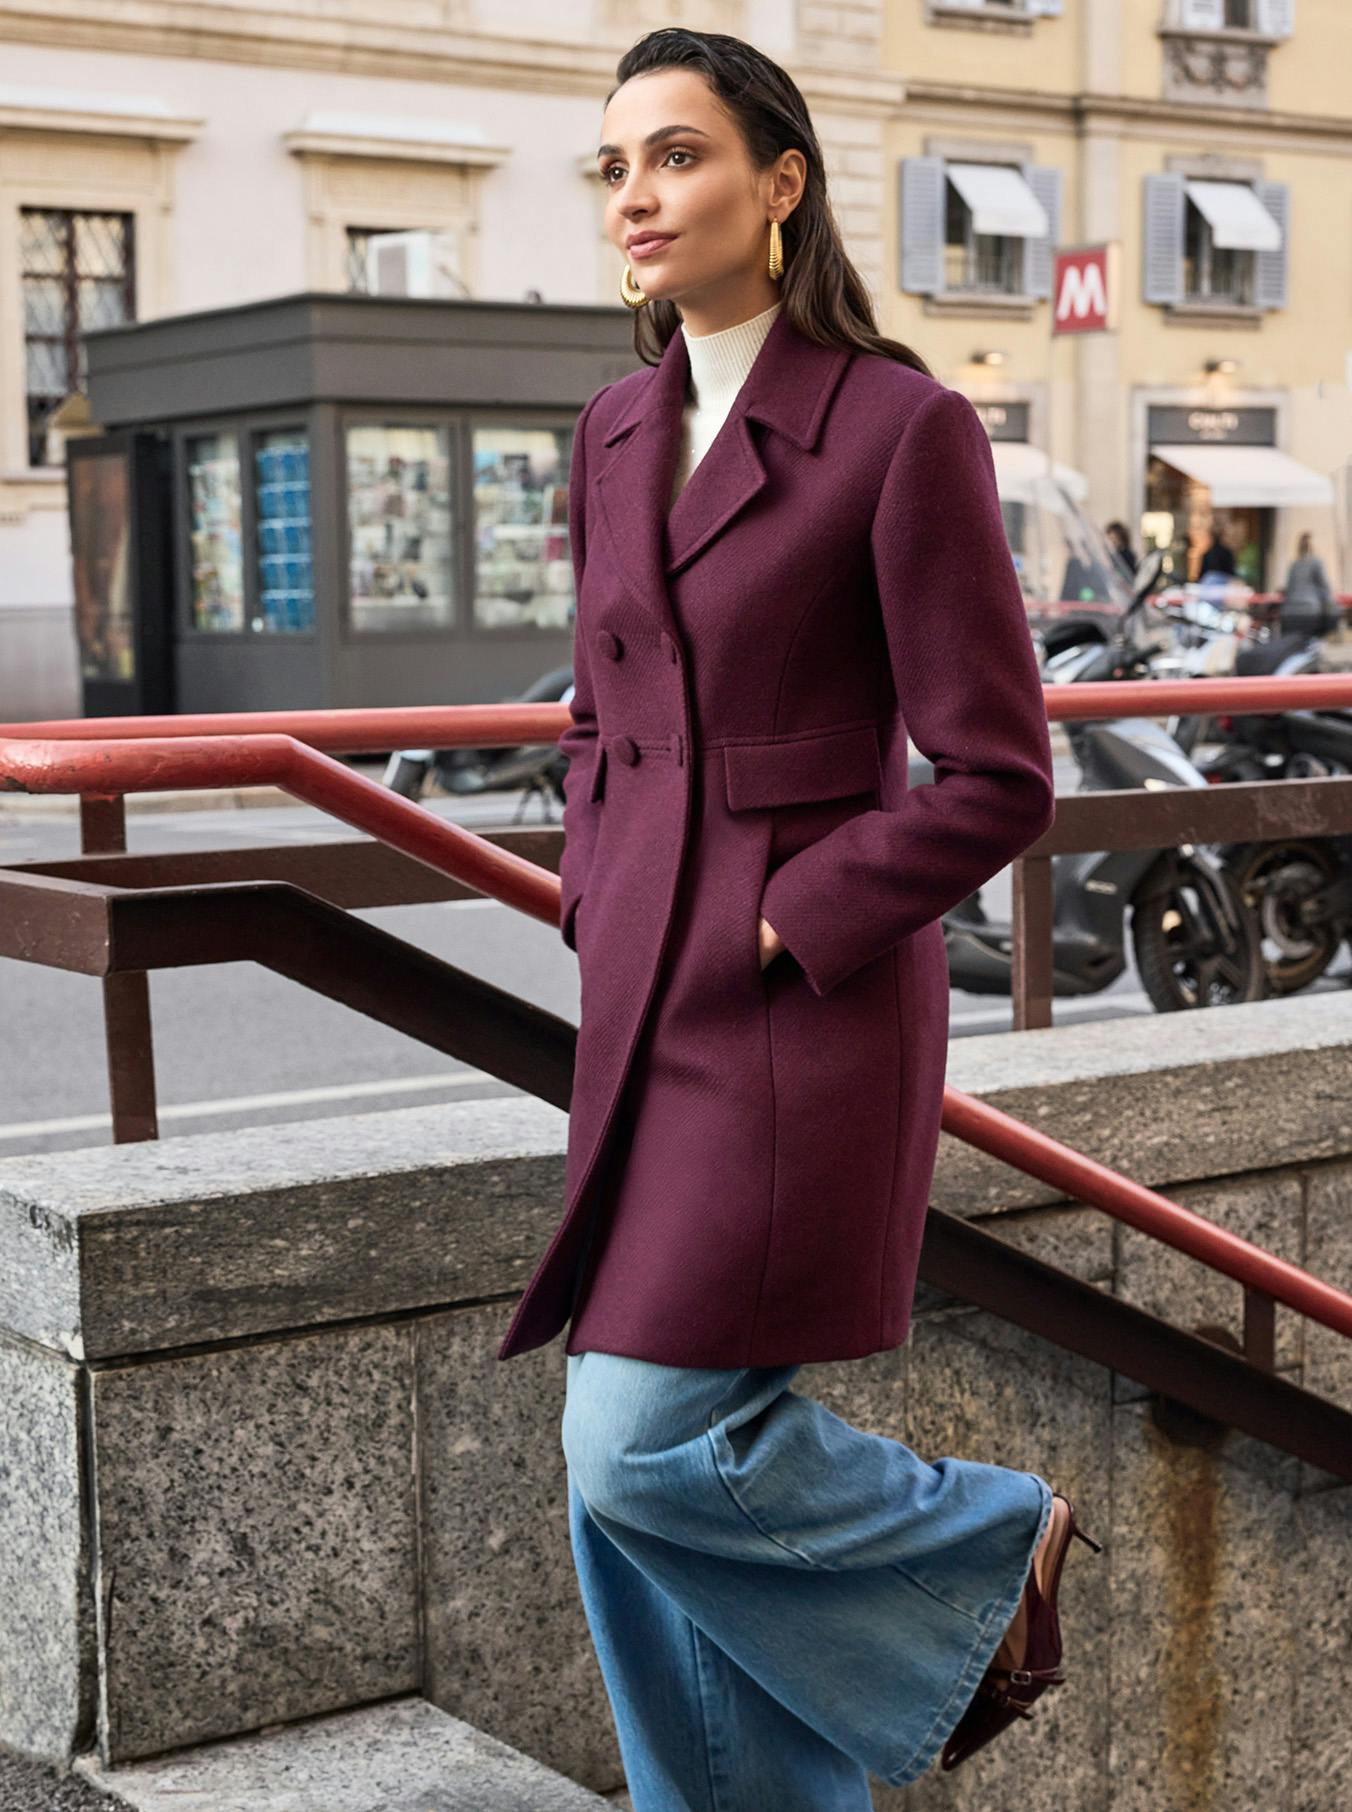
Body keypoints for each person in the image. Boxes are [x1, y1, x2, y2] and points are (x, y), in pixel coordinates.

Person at [500, 26, 1102, 1807]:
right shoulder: (615, 424)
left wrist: (778, 918)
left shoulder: (896, 425)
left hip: (797, 1015)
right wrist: (595, 887)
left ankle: (992, 1539)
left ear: (780, 184)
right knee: (612, 1467)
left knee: (639, 1444)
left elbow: (996, 775)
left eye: (675, 156)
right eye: (612, 164)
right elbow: (602, 716)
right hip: (644, 1003)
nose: (635, 194)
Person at [1280, 530, 1339, 638]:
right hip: (1310, 612)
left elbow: (1288, 589)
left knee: (1292, 646)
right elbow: (1325, 588)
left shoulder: (1294, 565)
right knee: (1310, 645)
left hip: (1289, 613)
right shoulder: (1317, 563)